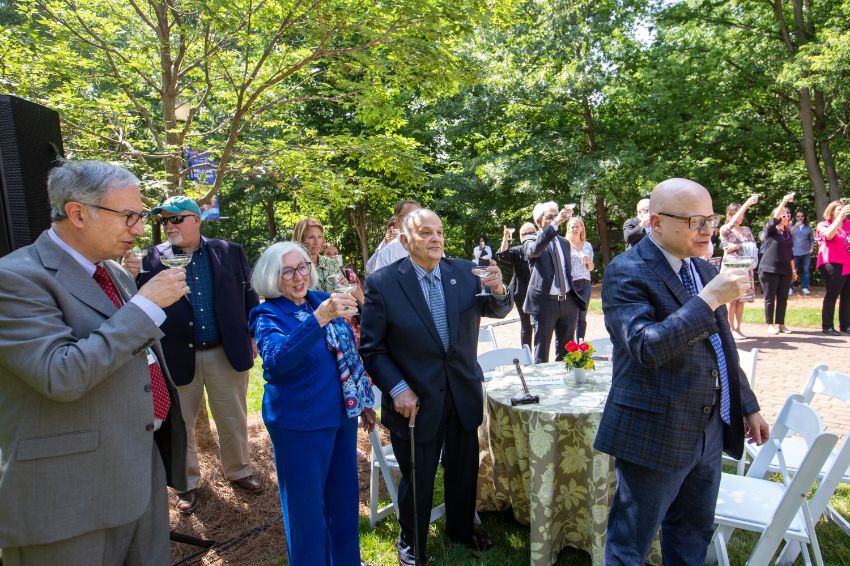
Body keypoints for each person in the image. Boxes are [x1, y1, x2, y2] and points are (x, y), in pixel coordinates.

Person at [0, 160, 188, 563]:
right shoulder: (15, 278)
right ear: (77, 213)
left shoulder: (115, 274)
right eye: (129, 216)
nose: (139, 229)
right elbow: (60, 374)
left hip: (138, 475)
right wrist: (144, 307)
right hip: (68, 499)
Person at [595, 177, 768, 565]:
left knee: (692, 534)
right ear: (656, 223)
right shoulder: (626, 271)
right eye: (695, 221)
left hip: (708, 428)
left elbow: (722, 347)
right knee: (630, 543)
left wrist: (747, 405)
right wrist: (707, 301)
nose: (708, 230)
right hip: (654, 430)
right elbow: (646, 347)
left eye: (711, 219)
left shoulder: (704, 270)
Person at [359, 209, 512, 565]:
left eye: (439, 232)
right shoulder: (383, 283)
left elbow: (498, 308)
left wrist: (500, 289)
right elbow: (372, 348)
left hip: (461, 391)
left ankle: (461, 527)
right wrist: (397, 388)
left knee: (463, 467)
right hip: (415, 400)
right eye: (425, 232)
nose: (435, 238)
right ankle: (412, 543)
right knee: (418, 475)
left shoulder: (463, 272)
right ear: (405, 240)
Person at [128, 195, 262, 514]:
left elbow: (248, 294)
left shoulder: (229, 251)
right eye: (164, 221)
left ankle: (239, 470)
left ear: (196, 219)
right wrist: (129, 276)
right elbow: (138, 302)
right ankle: (186, 483)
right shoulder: (151, 258)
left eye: (176, 219)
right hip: (175, 352)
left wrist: (256, 334)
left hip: (225, 350)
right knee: (181, 423)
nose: (169, 226)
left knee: (233, 416)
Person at [248, 242, 376, 566]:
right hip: (300, 427)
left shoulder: (320, 299)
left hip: (340, 419)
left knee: (344, 508)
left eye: (302, 266)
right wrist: (318, 319)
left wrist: (363, 400)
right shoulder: (266, 314)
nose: (298, 277)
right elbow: (276, 361)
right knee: (306, 519)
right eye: (287, 271)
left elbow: (347, 352)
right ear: (271, 277)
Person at [523, 201, 585, 363]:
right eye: (550, 217)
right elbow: (534, 251)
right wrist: (556, 223)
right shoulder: (531, 239)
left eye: (556, 215)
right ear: (539, 221)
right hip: (544, 304)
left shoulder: (564, 243)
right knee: (541, 353)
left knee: (567, 354)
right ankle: (541, 387)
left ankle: (567, 386)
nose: (555, 218)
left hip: (567, 303)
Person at [294, 218, 365, 345]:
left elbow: (344, 287)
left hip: (340, 322)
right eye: (311, 237)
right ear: (300, 239)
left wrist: (367, 305)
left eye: (319, 237)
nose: (317, 242)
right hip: (314, 324)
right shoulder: (296, 265)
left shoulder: (330, 262)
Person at [719, 195, 759, 340]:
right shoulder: (725, 229)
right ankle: (730, 329)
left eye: (743, 215)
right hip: (732, 267)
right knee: (732, 299)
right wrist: (747, 203)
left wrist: (738, 246)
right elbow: (730, 228)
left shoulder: (746, 230)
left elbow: (753, 246)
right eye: (738, 214)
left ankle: (738, 328)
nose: (741, 218)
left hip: (745, 267)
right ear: (729, 215)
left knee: (742, 299)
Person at [759, 193, 797, 335]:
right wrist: (784, 201)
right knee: (770, 298)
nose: (785, 217)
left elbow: (790, 253)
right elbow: (773, 220)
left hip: (785, 269)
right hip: (769, 268)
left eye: (787, 215)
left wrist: (793, 270)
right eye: (783, 214)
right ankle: (769, 324)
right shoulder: (770, 230)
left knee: (783, 298)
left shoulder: (788, 233)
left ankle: (781, 324)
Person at [496, 222, 537, 348]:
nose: (528, 236)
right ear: (520, 237)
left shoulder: (542, 249)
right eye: (524, 234)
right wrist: (505, 237)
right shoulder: (518, 250)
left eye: (531, 233)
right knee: (526, 326)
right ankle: (527, 356)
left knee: (540, 326)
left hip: (539, 293)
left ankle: (539, 358)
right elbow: (503, 255)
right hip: (522, 293)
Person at [815, 199, 850, 335]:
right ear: (831, 212)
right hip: (831, 263)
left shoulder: (849, 224)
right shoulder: (823, 224)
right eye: (839, 210)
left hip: (848, 263)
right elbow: (829, 236)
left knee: (847, 295)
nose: (842, 213)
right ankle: (827, 326)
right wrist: (839, 220)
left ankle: (846, 325)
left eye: (843, 210)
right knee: (832, 294)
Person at [369, 200, 422, 273]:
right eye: (411, 216)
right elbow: (380, 281)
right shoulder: (386, 252)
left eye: (420, 216)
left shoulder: (433, 245)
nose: (417, 220)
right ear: (398, 220)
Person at [566, 216, 594, 342]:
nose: (575, 229)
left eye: (577, 226)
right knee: (571, 316)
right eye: (572, 227)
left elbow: (591, 268)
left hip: (585, 282)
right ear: (568, 229)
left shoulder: (587, 245)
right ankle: (569, 346)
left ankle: (580, 346)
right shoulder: (565, 244)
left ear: (582, 228)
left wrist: (588, 262)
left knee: (582, 316)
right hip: (571, 283)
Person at [791, 211, 814, 295]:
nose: (800, 217)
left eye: (801, 216)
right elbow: (787, 234)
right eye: (798, 216)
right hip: (794, 252)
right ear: (795, 217)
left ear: (804, 217)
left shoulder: (808, 228)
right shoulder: (791, 226)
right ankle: (790, 288)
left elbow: (812, 240)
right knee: (793, 271)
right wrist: (795, 226)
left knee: (806, 271)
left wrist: (811, 249)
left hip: (806, 252)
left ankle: (805, 288)